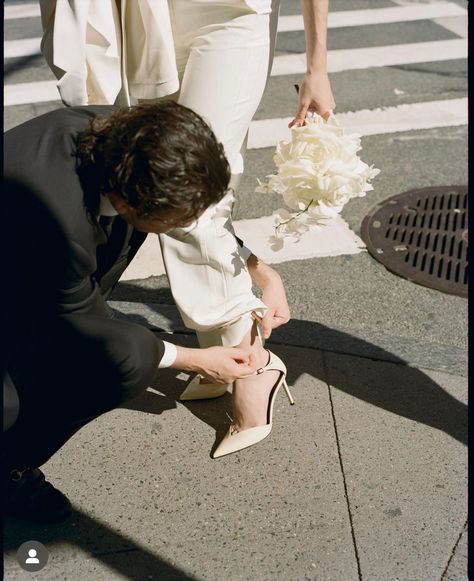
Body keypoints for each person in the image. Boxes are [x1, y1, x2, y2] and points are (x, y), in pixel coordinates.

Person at [39, 0, 335, 457]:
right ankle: (222, 350)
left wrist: (318, 65)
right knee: (169, 186)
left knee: (197, 200)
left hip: (232, 13)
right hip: (144, 16)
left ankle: (252, 365)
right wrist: (259, 270)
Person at [2, 101, 267, 522]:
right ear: (129, 203)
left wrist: (259, 269)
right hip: (23, 296)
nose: (192, 223)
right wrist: (196, 359)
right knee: (126, 357)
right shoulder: (59, 223)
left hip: (25, 281)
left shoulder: (125, 138)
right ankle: (8, 467)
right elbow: (79, 326)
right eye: (180, 217)